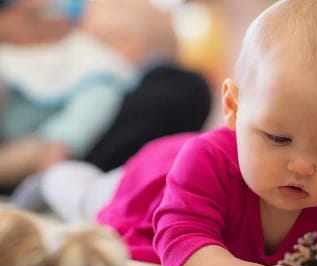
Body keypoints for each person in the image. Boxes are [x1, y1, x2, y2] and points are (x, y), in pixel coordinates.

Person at [41, 0, 317, 266]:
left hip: (185, 174)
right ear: (233, 107)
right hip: (146, 191)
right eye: (278, 138)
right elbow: (183, 245)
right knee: (86, 195)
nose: (303, 165)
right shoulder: (205, 161)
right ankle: (50, 178)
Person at [0, 0, 210, 193]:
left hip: (46, 154)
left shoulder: (100, 70)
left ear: (128, 43)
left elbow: (85, 111)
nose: (85, 8)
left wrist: (57, 146)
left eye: (113, 5)